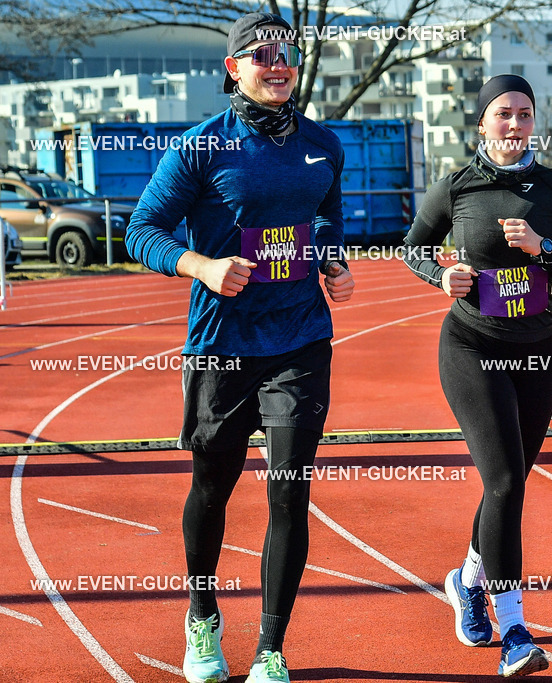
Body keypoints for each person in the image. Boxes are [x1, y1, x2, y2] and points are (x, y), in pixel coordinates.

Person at [126, 12, 354, 683]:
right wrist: (201, 266)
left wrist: (333, 261)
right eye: (262, 55)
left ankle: (270, 649)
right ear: (234, 68)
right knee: (211, 487)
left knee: (289, 494)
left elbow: (326, 216)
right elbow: (142, 228)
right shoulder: (199, 148)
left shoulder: (323, 144)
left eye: (287, 53)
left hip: (300, 340)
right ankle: (202, 616)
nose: (278, 64)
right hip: (222, 345)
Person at [403, 75, 552, 676]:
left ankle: (467, 579)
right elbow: (411, 247)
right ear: (482, 123)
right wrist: (443, 277)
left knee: (506, 485)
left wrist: (541, 248)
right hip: (472, 348)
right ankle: (514, 628)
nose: (515, 124)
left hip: (536, 352)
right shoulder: (456, 186)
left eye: (525, 114)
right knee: (507, 482)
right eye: (504, 114)